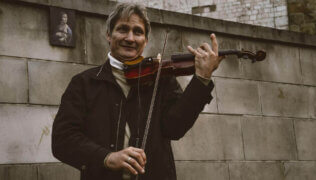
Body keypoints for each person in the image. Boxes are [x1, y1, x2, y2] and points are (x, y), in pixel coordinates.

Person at [52, 2, 224, 180]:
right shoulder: (84, 83)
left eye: (138, 32)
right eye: (122, 29)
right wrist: (106, 157)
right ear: (109, 35)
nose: (130, 38)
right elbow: (62, 140)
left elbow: (175, 128)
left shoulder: (161, 79)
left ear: (146, 40)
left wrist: (201, 79)